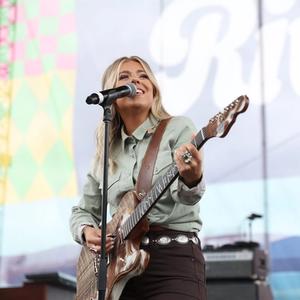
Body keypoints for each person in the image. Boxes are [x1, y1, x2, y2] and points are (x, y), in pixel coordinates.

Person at [70, 55, 206, 300]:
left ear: (153, 89)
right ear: (112, 93)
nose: (136, 80)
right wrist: (87, 231)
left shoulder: (178, 128)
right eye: (125, 77)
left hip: (172, 262)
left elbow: (187, 198)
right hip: (118, 273)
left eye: (143, 76)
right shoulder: (106, 152)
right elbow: (83, 210)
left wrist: (192, 178)